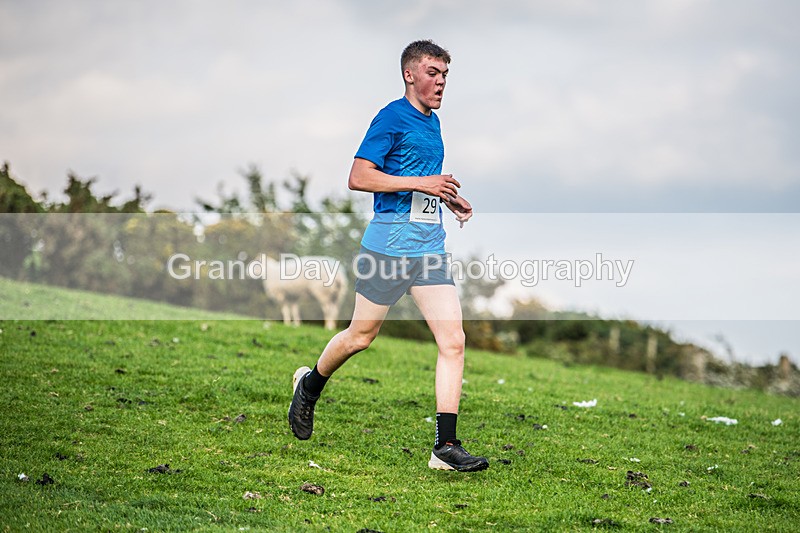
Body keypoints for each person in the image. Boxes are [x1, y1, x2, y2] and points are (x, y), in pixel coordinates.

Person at [288, 40, 488, 472]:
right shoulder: (390, 117)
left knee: (453, 341)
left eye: (445, 75)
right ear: (409, 74)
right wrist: (422, 184)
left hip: (428, 248)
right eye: (433, 73)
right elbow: (359, 177)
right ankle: (310, 384)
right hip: (387, 248)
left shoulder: (433, 124)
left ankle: (445, 447)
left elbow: (420, 182)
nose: (441, 82)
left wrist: (446, 199)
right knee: (360, 337)